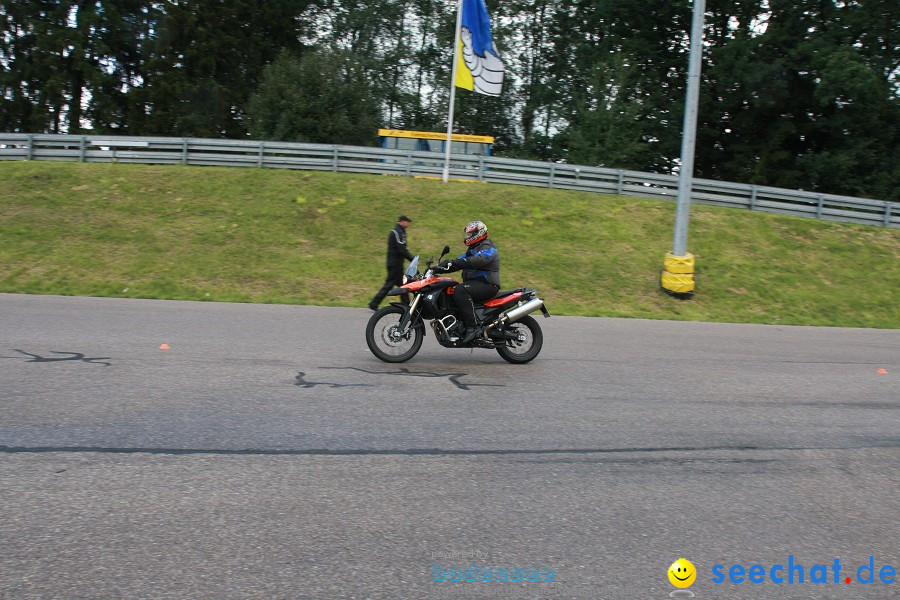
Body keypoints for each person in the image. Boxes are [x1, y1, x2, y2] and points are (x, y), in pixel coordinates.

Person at [436, 220, 500, 344]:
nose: (467, 237)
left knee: (460, 290)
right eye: (467, 234)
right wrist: (439, 268)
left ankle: (473, 328)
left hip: (488, 285)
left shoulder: (488, 247)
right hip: (477, 284)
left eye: (470, 234)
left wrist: (456, 263)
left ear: (479, 233)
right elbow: (458, 262)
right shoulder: (473, 249)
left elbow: (477, 260)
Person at [369, 216, 414, 311]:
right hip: (395, 265)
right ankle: (374, 303)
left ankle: (407, 305)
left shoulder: (400, 231)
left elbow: (403, 249)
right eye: (407, 222)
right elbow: (402, 249)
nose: (408, 224)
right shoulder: (397, 232)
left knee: (402, 285)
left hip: (397, 265)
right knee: (389, 285)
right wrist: (412, 259)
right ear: (402, 221)